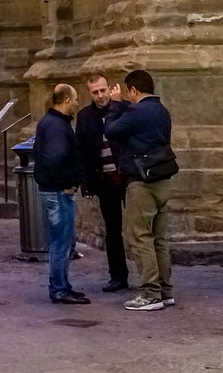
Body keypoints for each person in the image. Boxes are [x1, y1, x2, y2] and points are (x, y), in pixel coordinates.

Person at [106, 69, 177, 312]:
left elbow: (111, 131)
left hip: (141, 182)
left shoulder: (137, 111)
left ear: (134, 90)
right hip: (162, 179)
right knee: (159, 239)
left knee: (139, 237)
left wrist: (115, 106)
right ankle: (165, 290)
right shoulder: (162, 111)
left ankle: (150, 293)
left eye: (129, 92)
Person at [33, 84, 88, 305]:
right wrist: (67, 182)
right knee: (61, 242)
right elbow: (55, 157)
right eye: (75, 100)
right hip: (58, 191)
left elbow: (39, 152)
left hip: (53, 188)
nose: (76, 104)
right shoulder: (57, 126)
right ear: (66, 101)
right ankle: (58, 289)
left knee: (62, 241)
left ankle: (62, 286)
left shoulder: (50, 122)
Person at [76, 73, 130, 292]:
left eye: (102, 90)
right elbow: (81, 150)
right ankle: (117, 276)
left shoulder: (124, 109)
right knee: (112, 230)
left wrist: (116, 107)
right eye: (95, 92)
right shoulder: (85, 117)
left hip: (127, 177)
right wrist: (86, 181)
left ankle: (150, 277)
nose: (100, 96)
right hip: (105, 180)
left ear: (110, 88)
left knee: (138, 229)